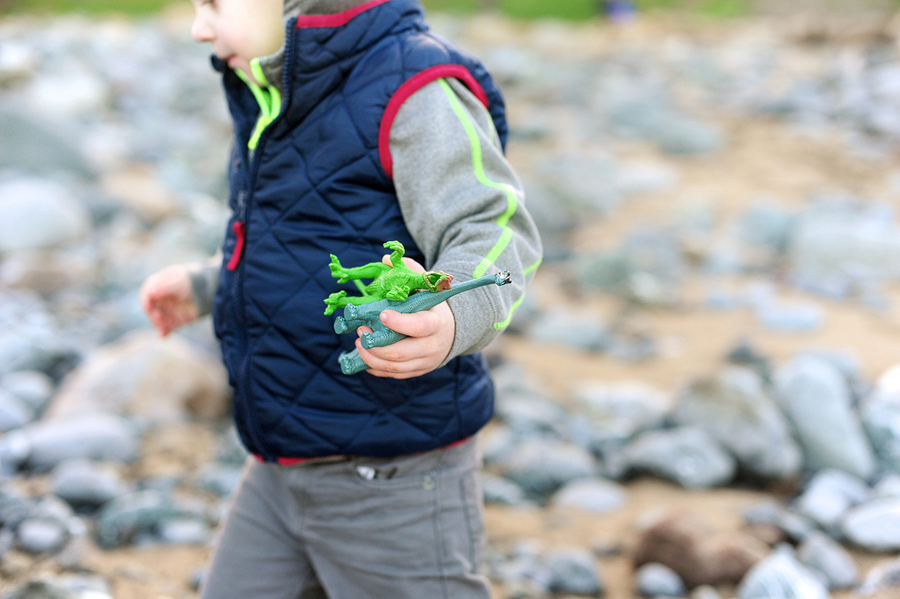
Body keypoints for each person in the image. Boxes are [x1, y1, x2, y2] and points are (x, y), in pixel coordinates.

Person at [139, 0, 542, 597]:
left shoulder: (413, 87)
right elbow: (298, 242)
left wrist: (453, 312)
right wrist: (208, 284)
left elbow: (494, 227)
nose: (199, 28)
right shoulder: (274, 90)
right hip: (279, 462)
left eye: (214, 4)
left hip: (396, 473)